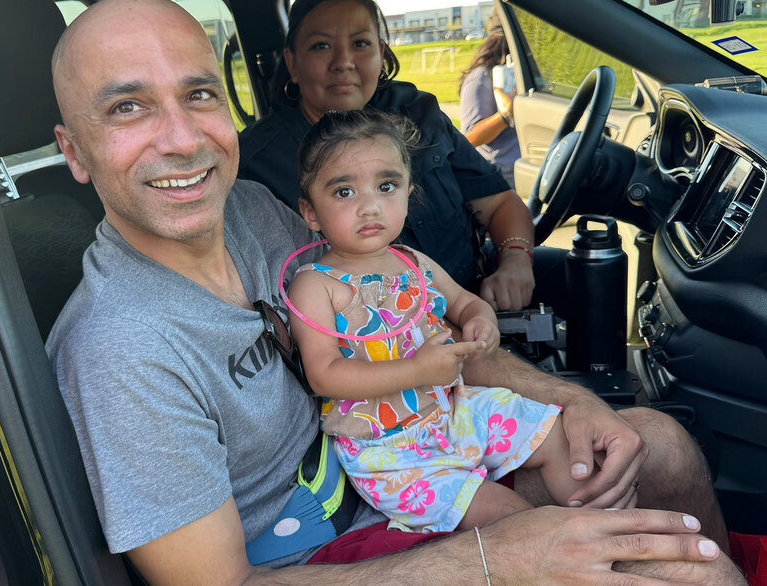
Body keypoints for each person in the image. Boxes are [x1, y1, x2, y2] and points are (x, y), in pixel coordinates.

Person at [45, 0, 745, 583]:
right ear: (73, 151)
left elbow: (406, 327)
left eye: (198, 95)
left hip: (412, 458)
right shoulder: (118, 348)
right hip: (323, 554)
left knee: (658, 445)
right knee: (690, 572)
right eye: (128, 108)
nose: (180, 139)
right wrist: (498, 558)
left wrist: (573, 402)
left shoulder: (255, 214)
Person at [288, 109, 593, 531]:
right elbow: (324, 374)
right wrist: (415, 370)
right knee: (514, 519)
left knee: (553, 431)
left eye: (386, 186)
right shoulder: (317, 285)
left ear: (408, 193)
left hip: (451, 412)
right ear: (311, 213)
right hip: (388, 451)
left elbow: (465, 303)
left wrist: (480, 321)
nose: (369, 206)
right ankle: (570, 547)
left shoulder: (412, 262)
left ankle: (596, 516)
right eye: (344, 193)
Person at [238, 0, 550, 313]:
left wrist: (515, 261)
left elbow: (498, 203)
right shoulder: (256, 165)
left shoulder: (419, 114)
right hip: (374, 343)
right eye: (321, 46)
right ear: (293, 63)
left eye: (360, 43)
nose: (344, 61)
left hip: (476, 305)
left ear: (381, 54)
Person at [459, 18, 521, 190]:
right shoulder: (481, 77)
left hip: (527, 174)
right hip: (502, 182)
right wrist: (505, 115)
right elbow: (470, 137)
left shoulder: (523, 73)